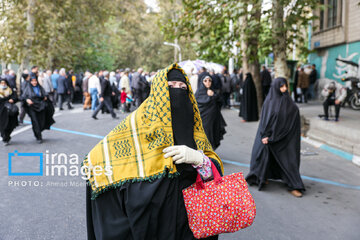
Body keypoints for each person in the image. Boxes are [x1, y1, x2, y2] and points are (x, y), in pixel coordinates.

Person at [84, 64, 223, 240]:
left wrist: (199, 159)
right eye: (171, 87)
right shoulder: (137, 126)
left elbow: (214, 175)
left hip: (191, 225)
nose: (178, 92)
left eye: (183, 88)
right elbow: (99, 159)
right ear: (158, 92)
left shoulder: (195, 130)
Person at [246, 77, 305, 198]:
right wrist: (266, 135)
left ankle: (294, 185)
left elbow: (292, 114)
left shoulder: (288, 101)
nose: (284, 89)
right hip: (268, 137)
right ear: (276, 87)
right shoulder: (270, 101)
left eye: (285, 86)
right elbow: (266, 120)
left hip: (284, 137)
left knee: (289, 160)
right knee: (263, 156)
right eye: (281, 86)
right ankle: (263, 176)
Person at [195, 74, 226, 150]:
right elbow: (197, 105)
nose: (208, 82)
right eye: (205, 81)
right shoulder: (198, 93)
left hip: (214, 119)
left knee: (213, 135)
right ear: (202, 82)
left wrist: (214, 95)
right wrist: (209, 96)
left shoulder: (214, 91)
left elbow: (221, 102)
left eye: (209, 81)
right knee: (205, 135)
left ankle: (211, 152)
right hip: (203, 120)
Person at [21, 74, 55, 143]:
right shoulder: (27, 88)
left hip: (41, 106)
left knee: (41, 122)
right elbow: (23, 97)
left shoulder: (40, 87)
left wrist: (45, 97)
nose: (34, 82)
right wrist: (27, 100)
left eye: (35, 81)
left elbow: (45, 94)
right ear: (30, 82)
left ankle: (39, 131)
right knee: (35, 121)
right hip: (32, 107)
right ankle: (38, 136)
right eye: (32, 81)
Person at [0, 78, 19, 145]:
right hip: (2, 111)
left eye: (4, 83)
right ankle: (4, 137)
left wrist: (12, 100)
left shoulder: (10, 90)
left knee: (10, 124)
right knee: (3, 125)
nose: (3, 84)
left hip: (10, 111)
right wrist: (6, 99)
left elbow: (16, 97)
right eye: (1, 83)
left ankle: (7, 136)